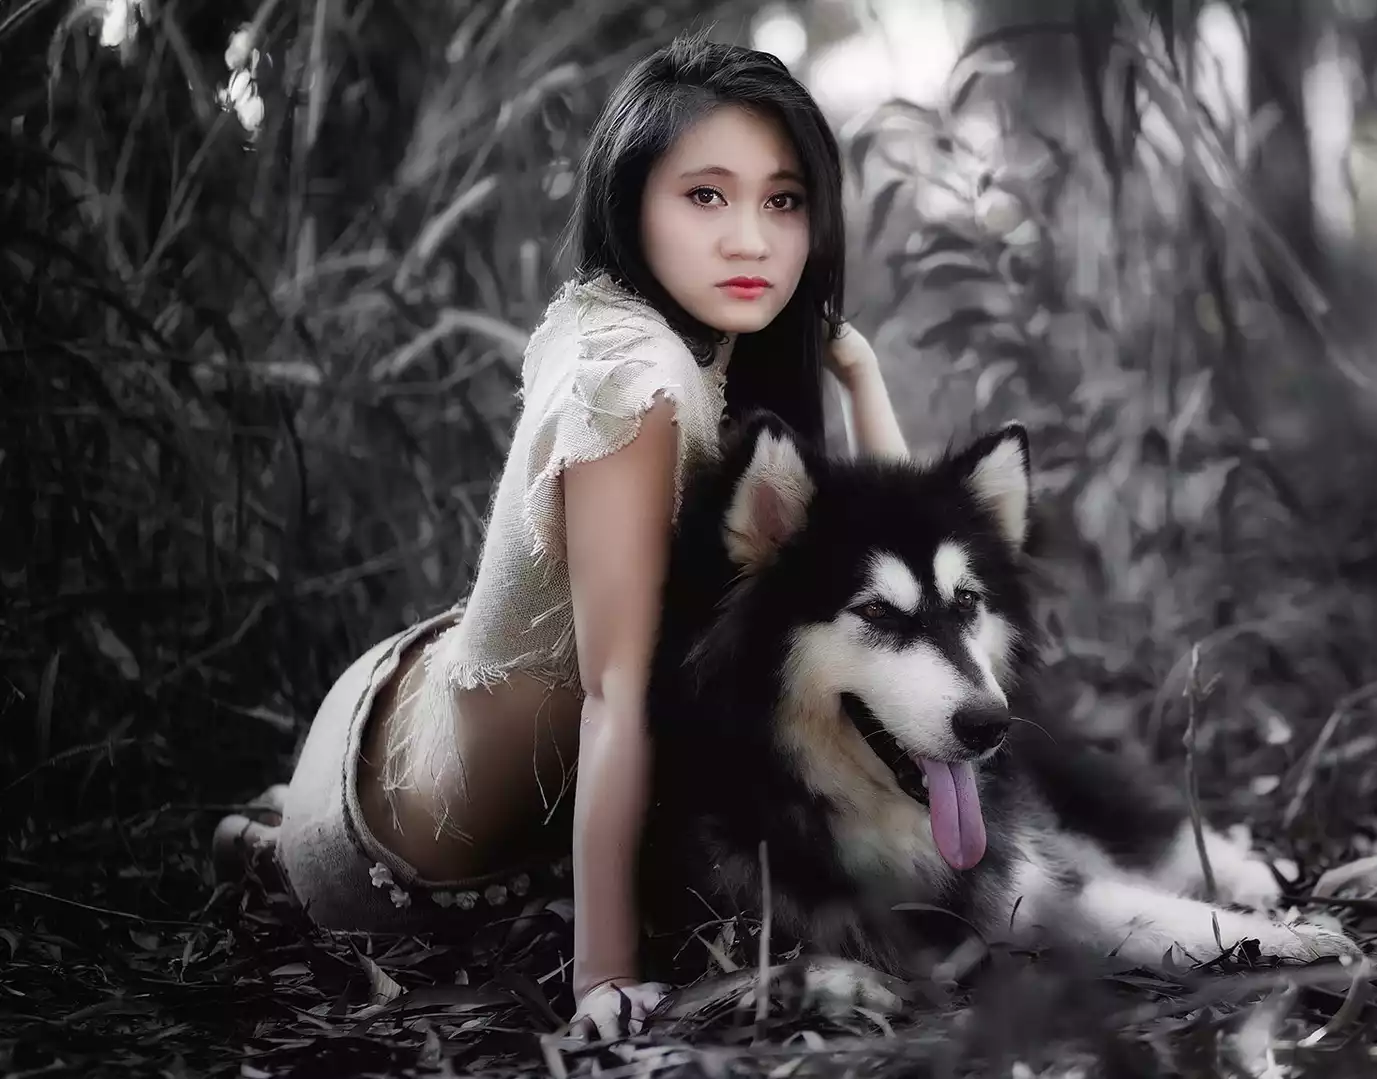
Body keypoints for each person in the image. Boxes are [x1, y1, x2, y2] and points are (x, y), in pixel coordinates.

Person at [212, 35, 911, 1041]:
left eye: (785, 200)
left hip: (446, 730)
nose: (753, 239)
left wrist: (857, 366)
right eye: (706, 196)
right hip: (395, 838)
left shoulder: (672, 345)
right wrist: (605, 977)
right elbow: (612, 693)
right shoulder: (641, 379)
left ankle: (270, 822)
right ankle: (272, 839)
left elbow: (902, 574)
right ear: (633, 202)